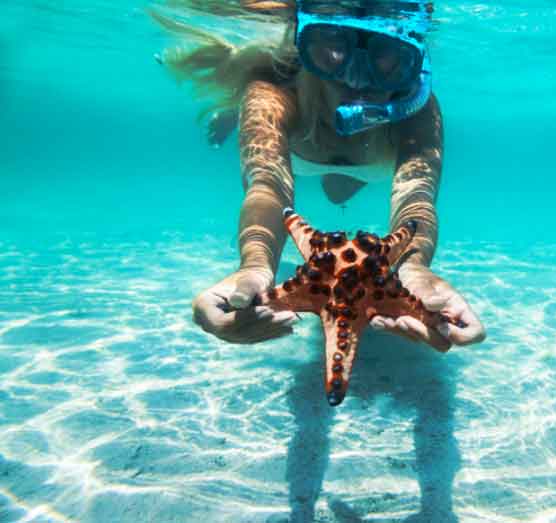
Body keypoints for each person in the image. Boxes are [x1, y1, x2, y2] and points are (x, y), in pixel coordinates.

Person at [153, 0, 485, 355]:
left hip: (359, 164)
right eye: (334, 49)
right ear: (306, 46)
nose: (356, 78)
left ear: (414, 64)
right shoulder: (273, 95)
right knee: (257, 99)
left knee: (338, 191)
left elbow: (416, 196)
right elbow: (268, 185)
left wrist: (416, 269)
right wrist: (255, 265)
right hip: (304, 138)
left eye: (386, 56)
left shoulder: (418, 114)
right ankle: (231, 110)